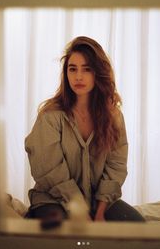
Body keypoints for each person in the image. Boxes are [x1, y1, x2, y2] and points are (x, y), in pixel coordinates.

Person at [25, 36, 145, 226]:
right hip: (54, 200)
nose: (78, 76)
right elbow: (50, 171)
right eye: (73, 69)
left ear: (98, 73)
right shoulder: (50, 116)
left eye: (87, 69)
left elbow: (116, 166)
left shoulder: (113, 117)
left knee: (138, 227)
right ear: (66, 73)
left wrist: (100, 213)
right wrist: (80, 212)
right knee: (63, 231)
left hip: (97, 201)